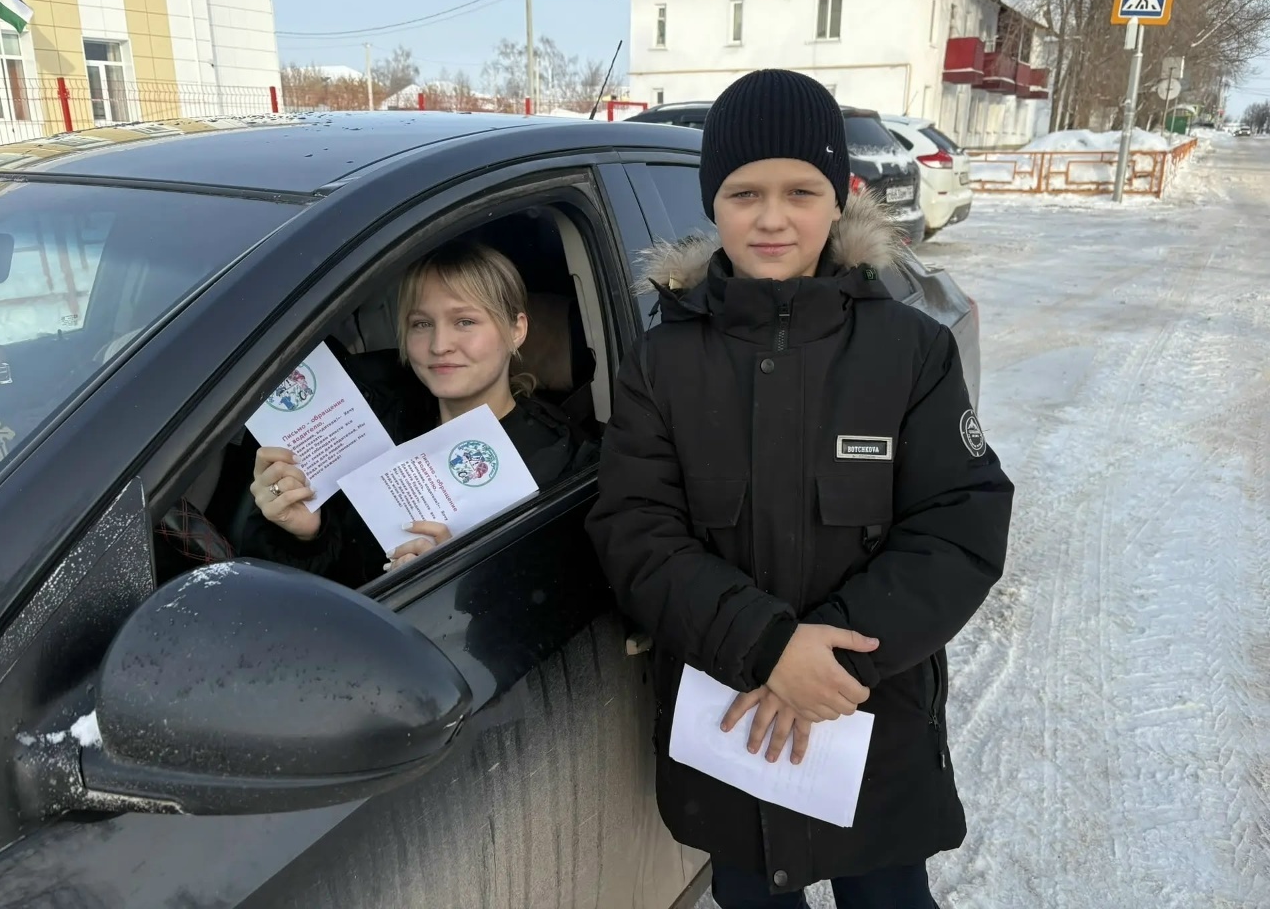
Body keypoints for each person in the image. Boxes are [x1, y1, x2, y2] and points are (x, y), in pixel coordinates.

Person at [585, 70, 1014, 908]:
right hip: (734, 734)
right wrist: (769, 648)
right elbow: (636, 532)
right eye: (745, 192)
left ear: (839, 197)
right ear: (713, 202)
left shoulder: (908, 352)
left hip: (870, 724)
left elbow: (959, 525)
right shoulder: (663, 363)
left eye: (799, 191)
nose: (772, 217)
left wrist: (841, 648)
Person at [242, 239, 595, 588]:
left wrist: (459, 580)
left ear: (516, 330)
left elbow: (558, 610)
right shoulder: (375, 421)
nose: (439, 345)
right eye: (422, 324)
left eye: (465, 322)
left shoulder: (563, 462)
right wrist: (304, 536)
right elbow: (319, 587)